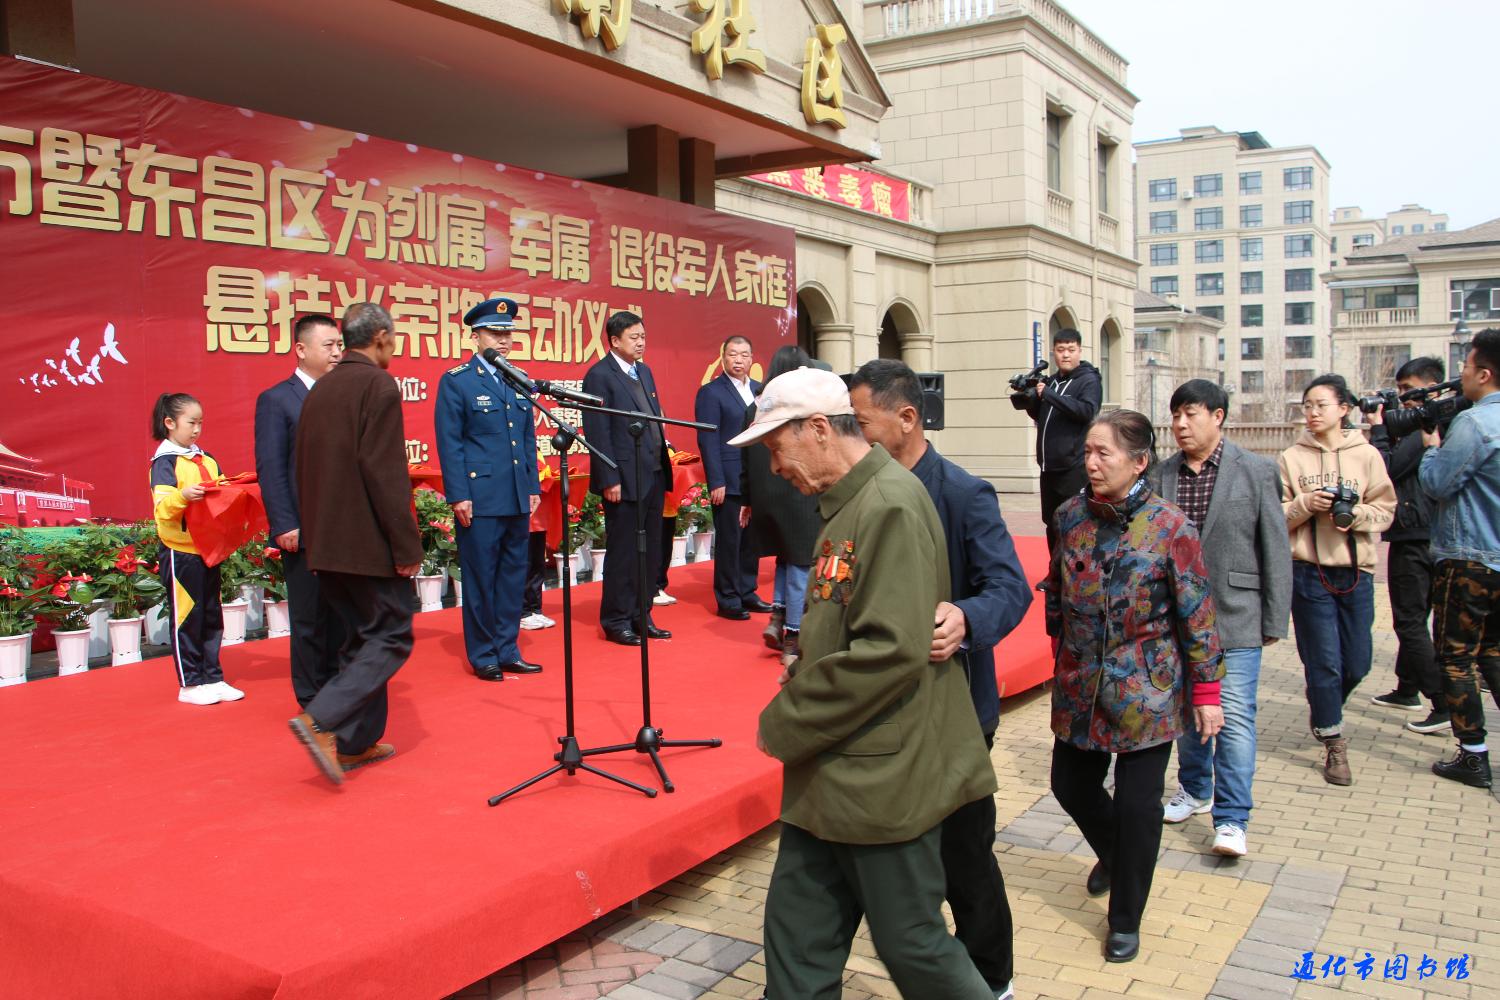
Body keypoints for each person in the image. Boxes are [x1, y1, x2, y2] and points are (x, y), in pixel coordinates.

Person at [732, 367, 997, 1000]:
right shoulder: (851, 502)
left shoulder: (889, 505)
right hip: (834, 770)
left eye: (777, 447)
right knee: (797, 939)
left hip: (880, 776)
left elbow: (889, 652)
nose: (775, 467)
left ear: (819, 429)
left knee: (912, 943)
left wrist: (788, 718)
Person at [849, 359, 1032, 1000]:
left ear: (906, 418)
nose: (854, 434)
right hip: (882, 710)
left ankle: (993, 979)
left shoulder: (961, 493)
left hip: (955, 711)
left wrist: (966, 617)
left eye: (862, 421)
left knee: (965, 856)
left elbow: (1009, 587)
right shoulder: (859, 491)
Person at [1048, 409, 1223, 964]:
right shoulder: (1069, 516)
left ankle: (1125, 918)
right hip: (1080, 684)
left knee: (1137, 808)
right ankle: (1118, 856)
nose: (1091, 462)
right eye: (1088, 452)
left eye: (1104, 453)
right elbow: (1056, 591)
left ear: (1139, 461)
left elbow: (1197, 614)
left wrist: (1207, 693)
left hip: (1147, 690)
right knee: (1069, 785)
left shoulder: (1171, 527)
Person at [1155, 379, 1291, 859]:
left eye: (1190, 414)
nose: (1180, 424)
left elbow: (1275, 546)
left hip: (1236, 617)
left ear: (1218, 416)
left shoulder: (1256, 470)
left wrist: (1274, 618)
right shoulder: (1161, 474)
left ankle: (1232, 819)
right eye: (1175, 415)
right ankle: (1195, 789)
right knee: (1189, 716)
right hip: (1175, 621)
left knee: (1233, 720)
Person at [290, 302, 423, 784]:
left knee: (359, 639)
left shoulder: (321, 388)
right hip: (366, 544)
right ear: (382, 336)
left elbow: (303, 469)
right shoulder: (377, 385)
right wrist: (406, 547)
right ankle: (322, 719)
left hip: (326, 543)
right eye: (395, 338)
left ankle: (353, 743)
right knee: (391, 635)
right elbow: (385, 474)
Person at [1278, 373, 1396, 786]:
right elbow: (1276, 515)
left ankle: (1323, 703)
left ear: (1344, 409)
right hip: (1308, 571)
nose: (1312, 413)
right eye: (1307, 406)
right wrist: (1307, 504)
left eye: (1321, 405)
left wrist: (1356, 514)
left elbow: (1386, 509)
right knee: (1323, 662)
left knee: (1358, 662)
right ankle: (1334, 742)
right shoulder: (1292, 457)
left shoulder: (1367, 455)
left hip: (1357, 571)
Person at [434, 297, 543, 681]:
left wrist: (532, 485)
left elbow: (527, 438)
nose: (503, 340)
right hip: (480, 497)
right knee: (481, 577)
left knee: (513, 576)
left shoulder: (518, 377)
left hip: (515, 494)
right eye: (495, 333)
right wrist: (458, 494)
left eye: (507, 333)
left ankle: (508, 649)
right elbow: (451, 443)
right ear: (476, 336)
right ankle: (484, 655)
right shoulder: (458, 380)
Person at [1419, 328, 1500, 789]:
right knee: (1493, 652)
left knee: (1456, 657)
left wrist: (1432, 448)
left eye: (1466, 366)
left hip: (1469, 559)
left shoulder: (1475, 423)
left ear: (1484, 374)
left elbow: (1437, 483)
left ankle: (1473, 754)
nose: (1461, 374)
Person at [253, 314, 346, 709]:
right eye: (329, 346)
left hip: (344, 529)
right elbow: (271, 467)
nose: (337, 353)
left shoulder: (342, 395)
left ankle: (340, 690)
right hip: (303, 530)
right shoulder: (277, 399)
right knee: (310, 618)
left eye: (339, 345)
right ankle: (311, 697)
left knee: (342, 615)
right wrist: (284, 522)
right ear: (302, 349)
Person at [1367, 357, 1449, 734]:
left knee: (1410, 622)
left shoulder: (1426, 427)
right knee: (1416, 617)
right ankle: (1407, 688)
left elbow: (1383, 469)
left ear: (1431, 388)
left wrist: (1379, 429)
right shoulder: (1429, 425)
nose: (1402, 397)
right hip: (1425, 534)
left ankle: (1443, 702)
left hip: (1415, 536)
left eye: (1407, 389)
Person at [581, 311, 672, 646]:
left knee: (650, 550)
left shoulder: (644, 371)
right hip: (623, 478)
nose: (640, 343)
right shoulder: (599, 376)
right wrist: (610, 478)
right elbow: (597, 431)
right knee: (624, 551)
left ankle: (642, 614)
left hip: (653, 472)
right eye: (634, 337)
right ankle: (617, 619)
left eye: (643, 336)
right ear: (615, 340)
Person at [150, 392, 241, 707]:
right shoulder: (165, 462)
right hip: (180, 550)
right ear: (169, 423)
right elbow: (162, 508)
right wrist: (183, 496)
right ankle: (190, 683)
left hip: (208, 547)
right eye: (191, 423)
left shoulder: (207, 458)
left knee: (212, 614)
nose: (197, 429)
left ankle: (213, 677)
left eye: (201, 422)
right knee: (187, 616)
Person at [739, 345, 822, 664]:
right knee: (801, 563)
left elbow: (744, 458)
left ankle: (777, 617)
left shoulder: (755, 406)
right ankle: (793, 637)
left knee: (786, 558)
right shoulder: (803, 405)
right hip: (798, 494)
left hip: (766, 497)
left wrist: (747, 498)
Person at [695, 335, 768, 620]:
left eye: (744, 355)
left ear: (752, 358)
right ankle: (728, 598)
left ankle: (747, 591)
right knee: (730, 540)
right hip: (729, 478)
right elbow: (708, 440)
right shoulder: (711, 392)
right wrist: (716, 481)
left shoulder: (761, 390)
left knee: (751, 540)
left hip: (756, 477)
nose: (739, 360)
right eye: (733, 354)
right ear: (723, 357)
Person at [1020, 328, 1102, 554]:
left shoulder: (1089, 379)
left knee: (1076, 524)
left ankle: (1076, 571)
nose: (1065, 354)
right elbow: (1042, 416)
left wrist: (1050, 395)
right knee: (1051, 523)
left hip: (1073, 468)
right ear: (1054, 352)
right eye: (1060, 350)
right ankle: (1054, 571)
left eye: (1071, 349)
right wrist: (1028, 399)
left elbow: (1087, 411)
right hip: (1048, 468)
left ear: (1079, 351)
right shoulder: (1052, 382)